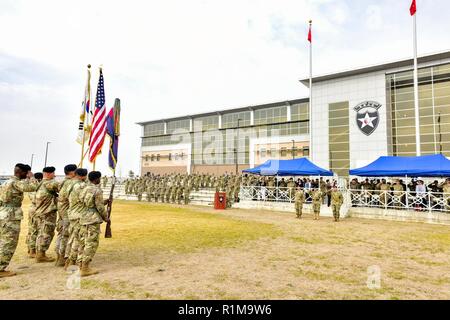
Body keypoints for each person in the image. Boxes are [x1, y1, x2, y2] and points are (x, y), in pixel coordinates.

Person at [0, 164, 36, 278]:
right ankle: (0, 269)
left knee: (3, 241)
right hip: (11, 215)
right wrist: (32, 177)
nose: (26, 176)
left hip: (4, 212)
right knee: (9, 242)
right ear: (21, 172)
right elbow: (32, 188)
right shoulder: (15, 182)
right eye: (26, 173)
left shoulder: (6, 182)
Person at [78, 171, 110, 277]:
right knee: (91, 243)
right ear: (96, 179)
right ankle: (85, 268)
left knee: (83, 242)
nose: (100, 180)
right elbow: (99, 207)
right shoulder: (97, 190)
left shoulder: (84, 188)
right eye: (99, 178)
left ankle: (80, 264)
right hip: (92, 219)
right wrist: (106, 218)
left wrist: (105, 201)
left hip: (83, 217)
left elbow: (90, 202)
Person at [34, 166, 60, 263]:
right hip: (47, 213)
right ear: (49, 174)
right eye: (53, 173)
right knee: (46, 234)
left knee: (41, 233)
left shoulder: (40, 183)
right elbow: (63, 188)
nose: (55, 175)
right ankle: (41, 255)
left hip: (40, 212)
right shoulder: (51, 183)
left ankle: (39, 253)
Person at [54, 164, 77, 267]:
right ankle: (63, 257)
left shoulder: (62, 182)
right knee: (66, 235)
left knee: (61, 234)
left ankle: (59, 256)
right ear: (72, 172)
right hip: (67, 213)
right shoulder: (71, 183)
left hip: (62, 212)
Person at [64, 168, 88, 269]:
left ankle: (70, 260)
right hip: (80, 215)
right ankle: (78, 262)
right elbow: (88, 200)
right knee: (81, 240)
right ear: (84, 176)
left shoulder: (70, 184)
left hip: (72, 213)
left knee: (75, 238)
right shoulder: (82, 186)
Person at [25, 172, 43, 258]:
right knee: (33, 230)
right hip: (35, 209)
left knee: (34, 230)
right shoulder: (34, 187)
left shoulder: (37, 186)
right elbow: (35, 198)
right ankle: (32, 250)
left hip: (35, 209)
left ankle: (31, 249)